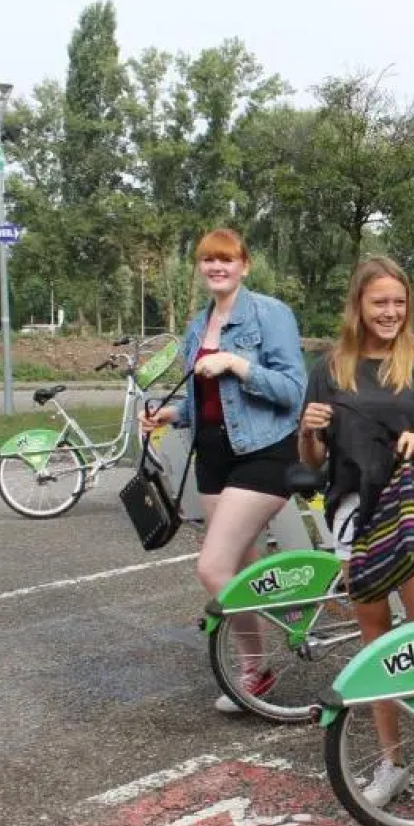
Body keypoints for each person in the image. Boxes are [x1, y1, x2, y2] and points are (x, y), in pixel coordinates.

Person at [297, 256, 414, 806]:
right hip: (353, 516)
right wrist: (308, 432)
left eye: (398, 302)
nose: (390, 312)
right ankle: (392, 761)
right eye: (379, 302)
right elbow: (313, 458)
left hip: (412, 510)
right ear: (358, 306)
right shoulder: (329, 367)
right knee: (377, 643)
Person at [139, 228, 307, 713]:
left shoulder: (270, 314)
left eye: (226, 259)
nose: (216, 267)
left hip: (263, 451)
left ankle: (285, 635)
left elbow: (294, 390)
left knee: (212, 568)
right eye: (208, 260)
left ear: (244, 265)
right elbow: (205, 402)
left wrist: (236, 364)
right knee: (238, 564)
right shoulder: (198, 325)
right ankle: (258, 665)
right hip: (213, 456)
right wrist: (170, 414)